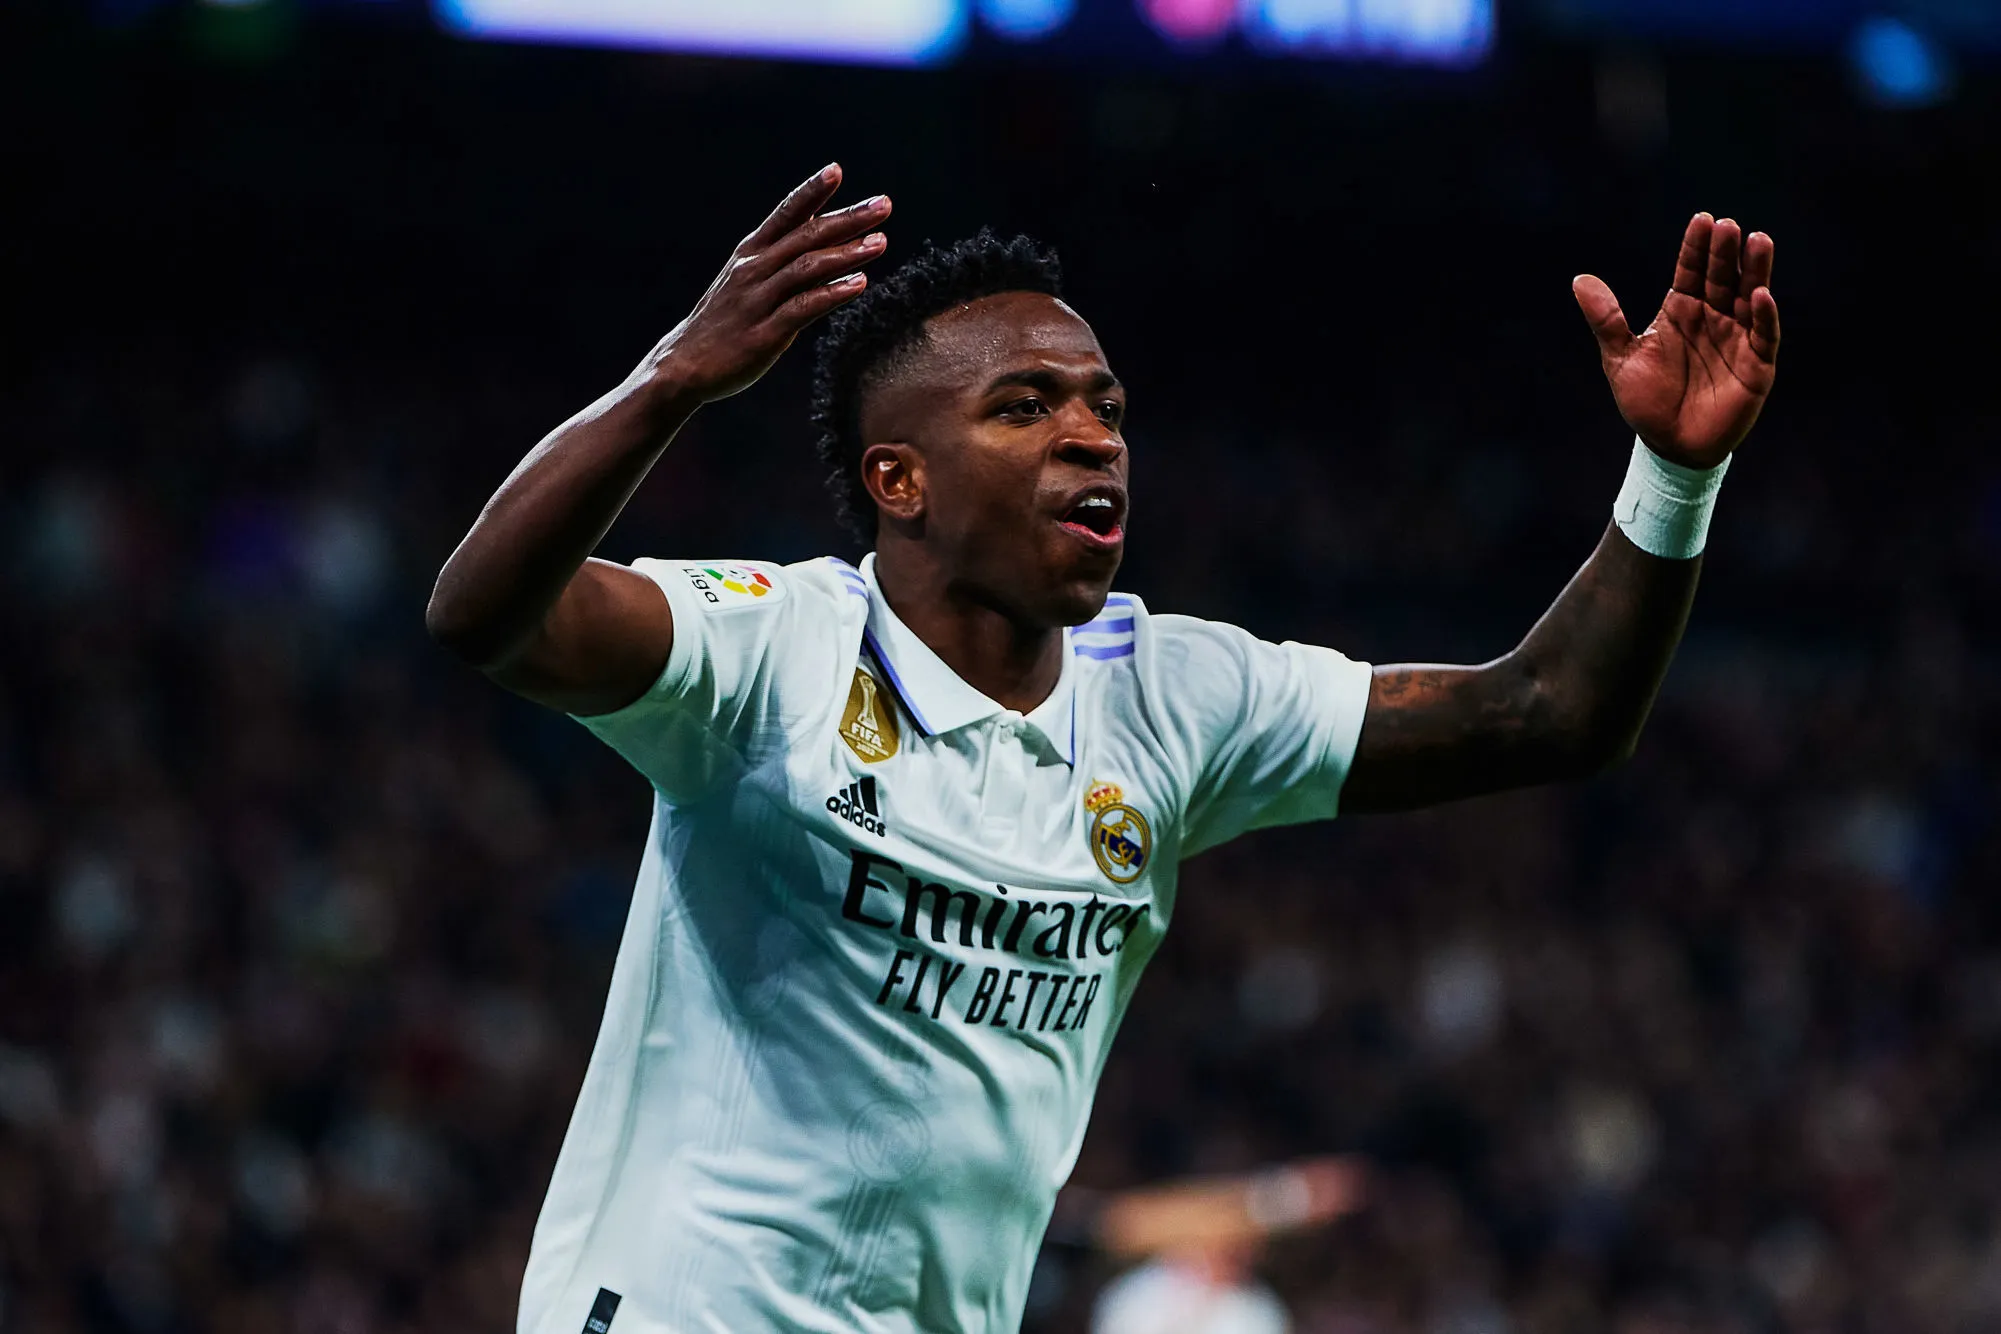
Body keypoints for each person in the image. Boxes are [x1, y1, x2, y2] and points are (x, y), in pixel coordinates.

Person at [425, 163, 1780, 1333]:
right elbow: (486, 613)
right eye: (1023, 406)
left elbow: (1548, 711)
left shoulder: (1175, 696)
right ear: (899, 478)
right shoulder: (777, 649)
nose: (1091, 436)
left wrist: (1673, 474)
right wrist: (670, 383)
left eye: (1107, 406)